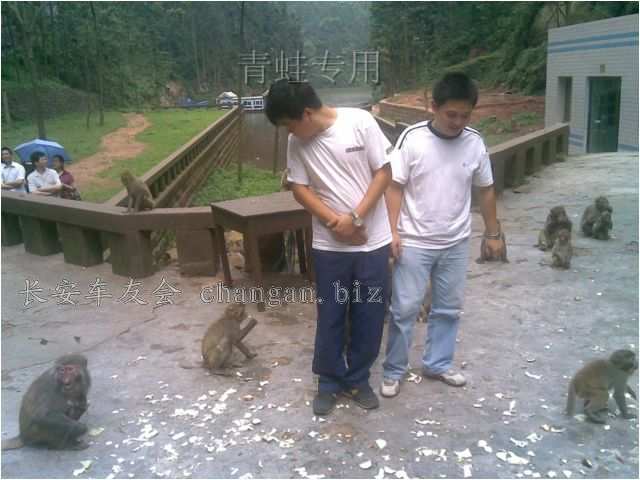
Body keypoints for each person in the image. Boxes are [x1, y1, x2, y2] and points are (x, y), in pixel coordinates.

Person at [265, 79, 392, 415]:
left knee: (369, 312)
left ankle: (358, 378)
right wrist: (338, 224)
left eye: (289, 124)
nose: (289, 132)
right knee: (332, 313)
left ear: (307, 113)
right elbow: (299, 188)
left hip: (373, 243)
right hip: (329, 248)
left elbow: (383, 173)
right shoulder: (296, 141)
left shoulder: (360, 122)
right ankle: (330, 381)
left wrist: (356, 218)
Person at [380, 72, 505, 398]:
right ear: (433, 107)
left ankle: (438, 363)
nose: (458, 122)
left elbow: (486, 189)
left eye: (465, 115)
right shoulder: (412, 138)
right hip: (414, 240)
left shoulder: (474, 142)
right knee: (404, 310)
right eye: (451, 114)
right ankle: (394, 370)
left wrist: (493, 233)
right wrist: (391, 231)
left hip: (455, 241)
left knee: (448, 308)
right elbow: (394, 187)